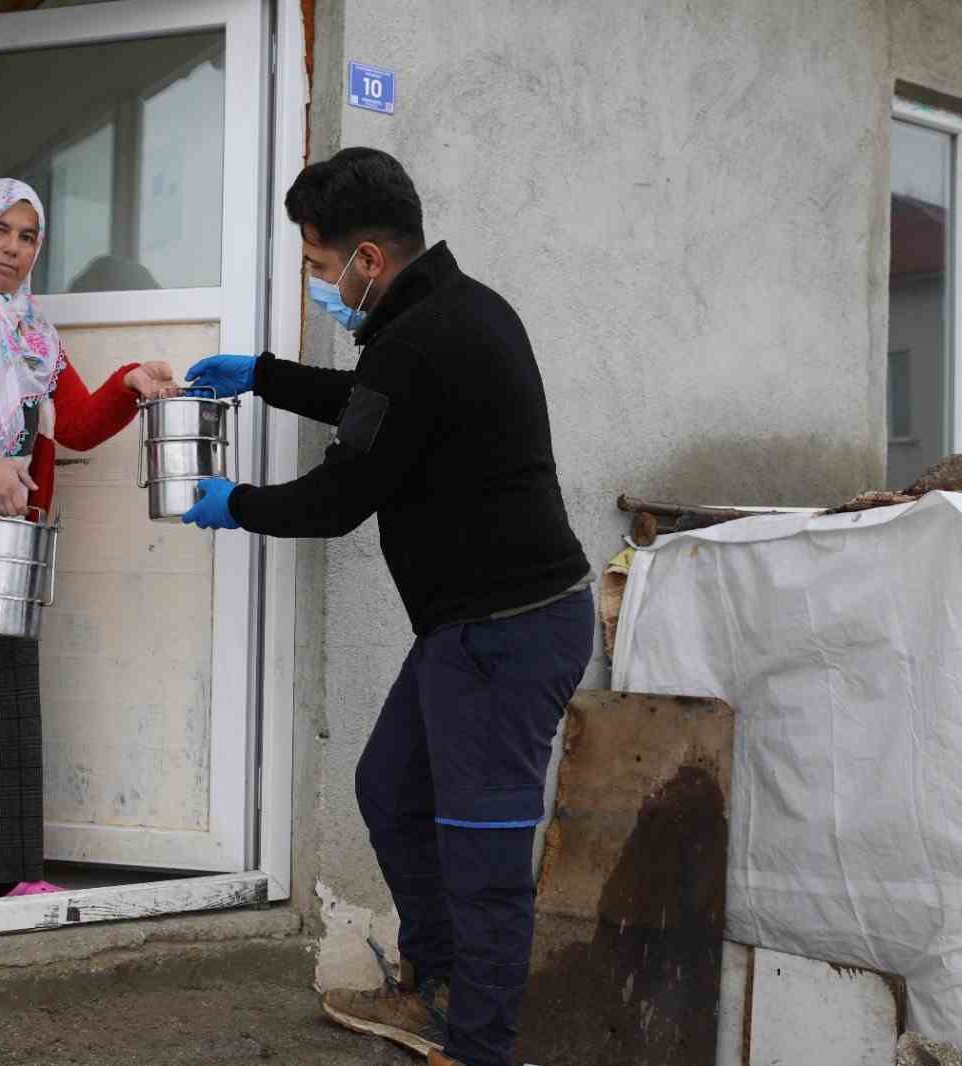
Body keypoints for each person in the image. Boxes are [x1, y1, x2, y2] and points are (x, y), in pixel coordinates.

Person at [182, 149, 593, 1066]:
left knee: (485, 864)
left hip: (506, 634)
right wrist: (264, 372)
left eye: (322, 267)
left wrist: (234, 503)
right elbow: (376, 403)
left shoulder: (420, 339)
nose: (322, 283)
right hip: (479, 626)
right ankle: (439, 985)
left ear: (369, 259)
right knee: (392, 790)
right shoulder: (460, 310)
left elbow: (337, 501)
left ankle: (477, 1045)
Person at [0, 178, 176, 903]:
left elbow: (77, 424)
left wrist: (131, 383)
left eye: (29, 236)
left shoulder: (34, 335)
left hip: (7, 550)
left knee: (8, 711)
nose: (13, 248)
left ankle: (14, 873)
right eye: (0, 229)